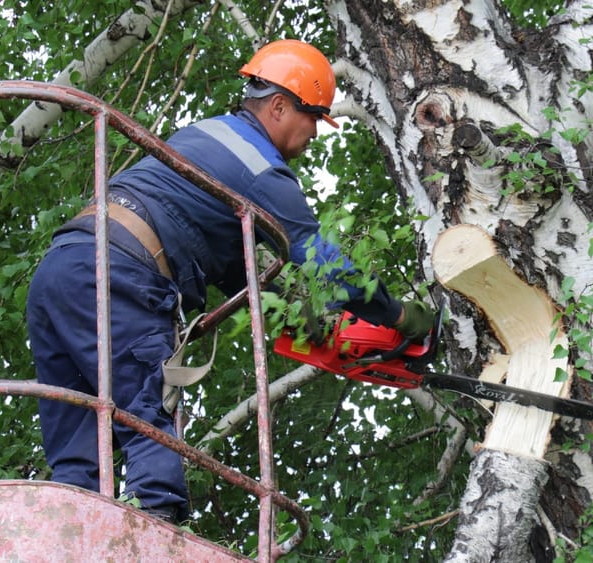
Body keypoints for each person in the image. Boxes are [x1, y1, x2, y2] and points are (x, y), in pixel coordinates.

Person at [25, 39, 433, 523]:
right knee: (147, 415)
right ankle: (161, 535)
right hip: (119, 277)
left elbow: (230, 267)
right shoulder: (262, 171)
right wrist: (400, 315)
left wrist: (302, 321)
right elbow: (325, 264)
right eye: (313, 120)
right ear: (280, 106)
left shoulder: (199, 137)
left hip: (62, 268)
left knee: (78, 445)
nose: (313, 137)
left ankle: (72, 535)